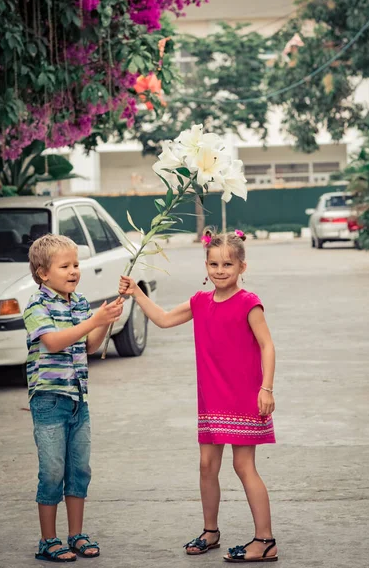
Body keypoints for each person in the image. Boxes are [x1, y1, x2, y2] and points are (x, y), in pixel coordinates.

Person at [119, 228, 278, 563]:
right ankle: (210, 531)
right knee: (207, 465)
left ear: (242, 267)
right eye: (214, 264)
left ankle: (265, 540)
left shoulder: (249, 303)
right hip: (212, 398)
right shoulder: (199, 302)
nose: (220, 271)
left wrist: (266, 388)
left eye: (228, 265)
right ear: (205, 265)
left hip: (244, 397)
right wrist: (136, 292)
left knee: (243, 465)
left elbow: (267, 345)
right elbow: (162, 319)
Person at [24, 234, 123, 562]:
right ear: (43, 273)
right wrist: (93, 321)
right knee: (52, 471)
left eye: (76, 265)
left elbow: (88, 346)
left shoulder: (79, 302)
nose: (73, 271)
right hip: (49, 400)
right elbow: (53, 342)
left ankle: (75, 534)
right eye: (65, 266)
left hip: (79, 399)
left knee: (79, 469)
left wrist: (105, 322)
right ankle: (47, 540)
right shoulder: (37, 305)